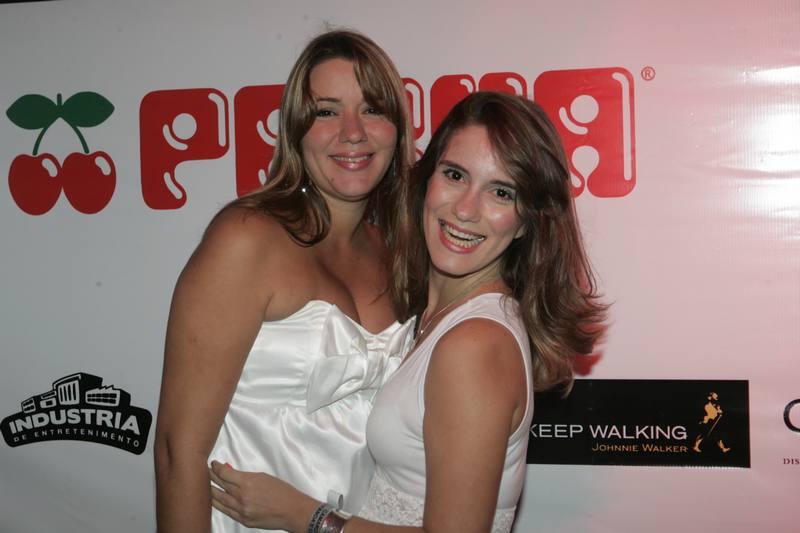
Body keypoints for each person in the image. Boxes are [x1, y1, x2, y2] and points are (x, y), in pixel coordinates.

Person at [208, 91, 607, 533]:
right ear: (427, 179)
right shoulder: (437, 317)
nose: (465, 209)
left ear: (526, 222)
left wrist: (304, 515)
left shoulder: (474, 345)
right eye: (455, 175)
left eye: (500, 192)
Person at [153, 30, 416, 533]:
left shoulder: (400, 256)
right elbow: (175, 452)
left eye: (372, 109)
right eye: (326, 111)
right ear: (296, 130)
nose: (353, 132)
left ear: (397, 130)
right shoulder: (246, 238)